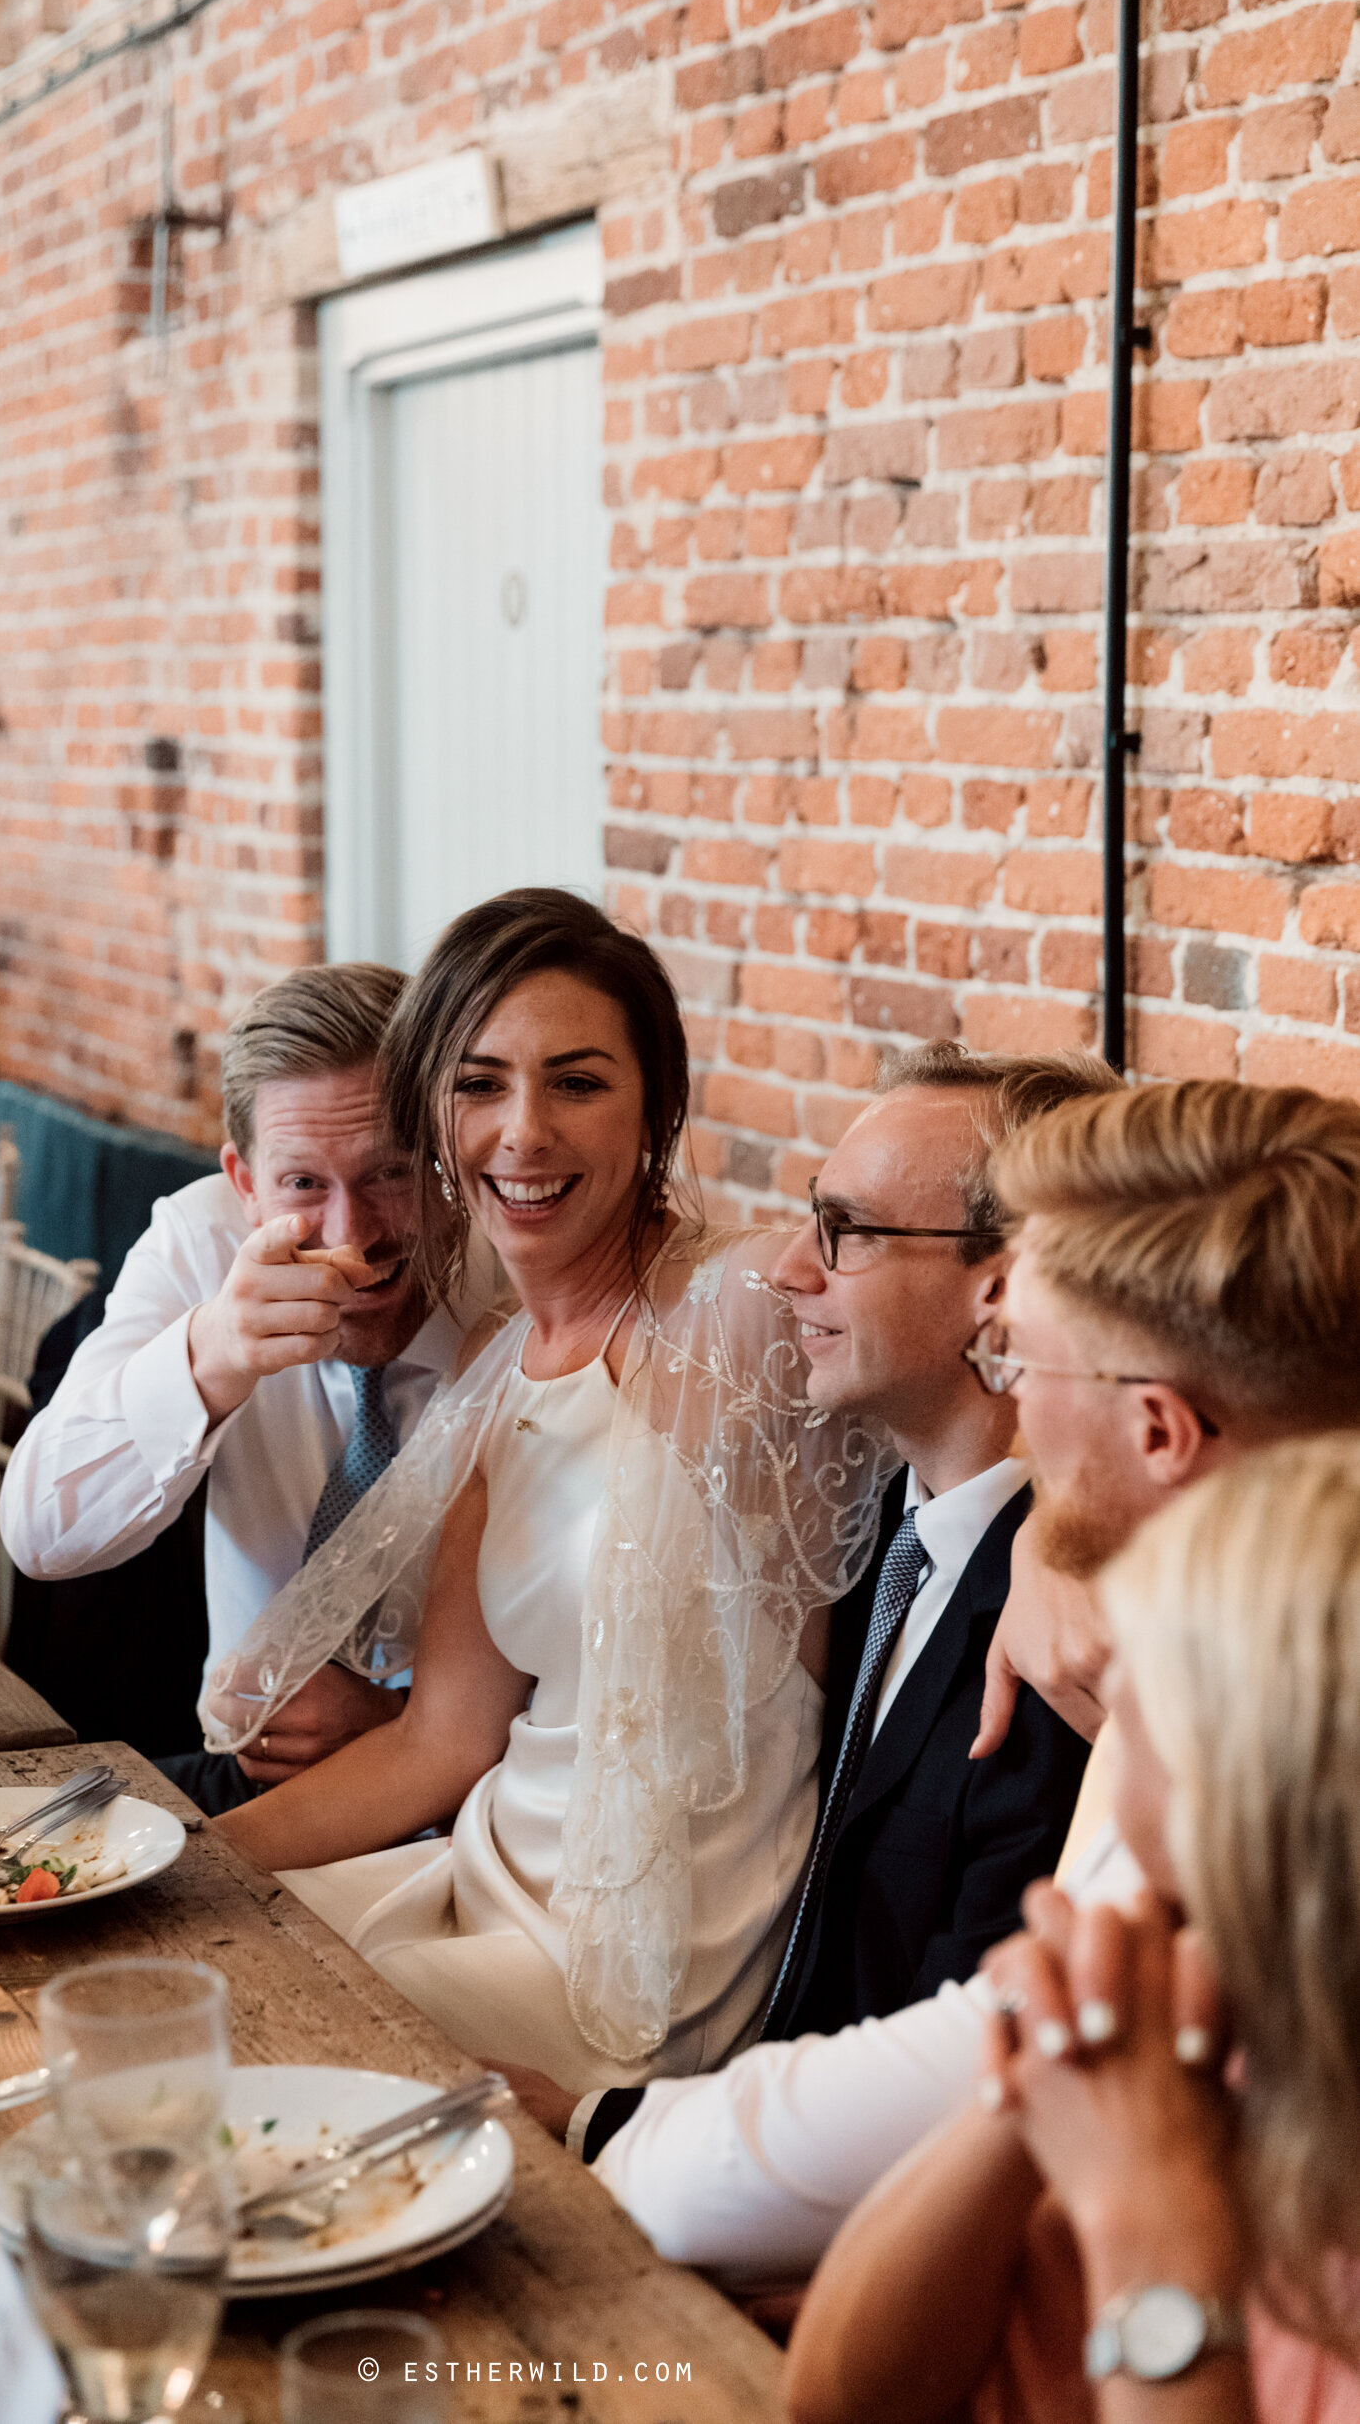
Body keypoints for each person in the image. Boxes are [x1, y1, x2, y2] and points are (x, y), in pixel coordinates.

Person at [584, 1077, 1360, 2282]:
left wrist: (605, 2130)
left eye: (1023, 1356)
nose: (1008, 1395)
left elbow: (730, 2176)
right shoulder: (1181, 1623)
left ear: (1158, 1432)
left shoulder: (1226, 1720)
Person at [202, 888, 893, 2096]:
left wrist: (1056, 1564)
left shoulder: (739, 1308)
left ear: (654, 1111)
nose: (521, 1132)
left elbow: (967, 1359)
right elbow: (440, 1741)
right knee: (168, 1952)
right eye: (478, 1085)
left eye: (576, 1082)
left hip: (630, 1963)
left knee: (223, 2030)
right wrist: (184, 1859)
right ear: (432, 1115)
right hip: (478, 1876)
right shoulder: (494, 1370)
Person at [560, 1043, 1112, 2169]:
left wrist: (598, 2126)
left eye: (846, 1230)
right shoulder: (867, 1514)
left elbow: (963, 2076)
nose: (789, 1271)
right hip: (727, 2095)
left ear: (1001, 1284)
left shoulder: (1065, 1642)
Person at [785, 1432, 1360, 2424]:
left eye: (1133, 1684)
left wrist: (1152, 2217)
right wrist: (1024, 2075)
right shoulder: (1184, 1998)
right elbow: (837, 2392)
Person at [0, 961, 471, 1814]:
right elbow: (40, 1535)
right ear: (244, 1182)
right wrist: (213, 1353)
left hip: (460, 1812)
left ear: (444, 1156)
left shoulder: (516, 1297)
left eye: (389, 1174)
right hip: (242, 1785)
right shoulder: (200, 1239)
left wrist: (401, 1721)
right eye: (303, 1184)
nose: (350, 1236)